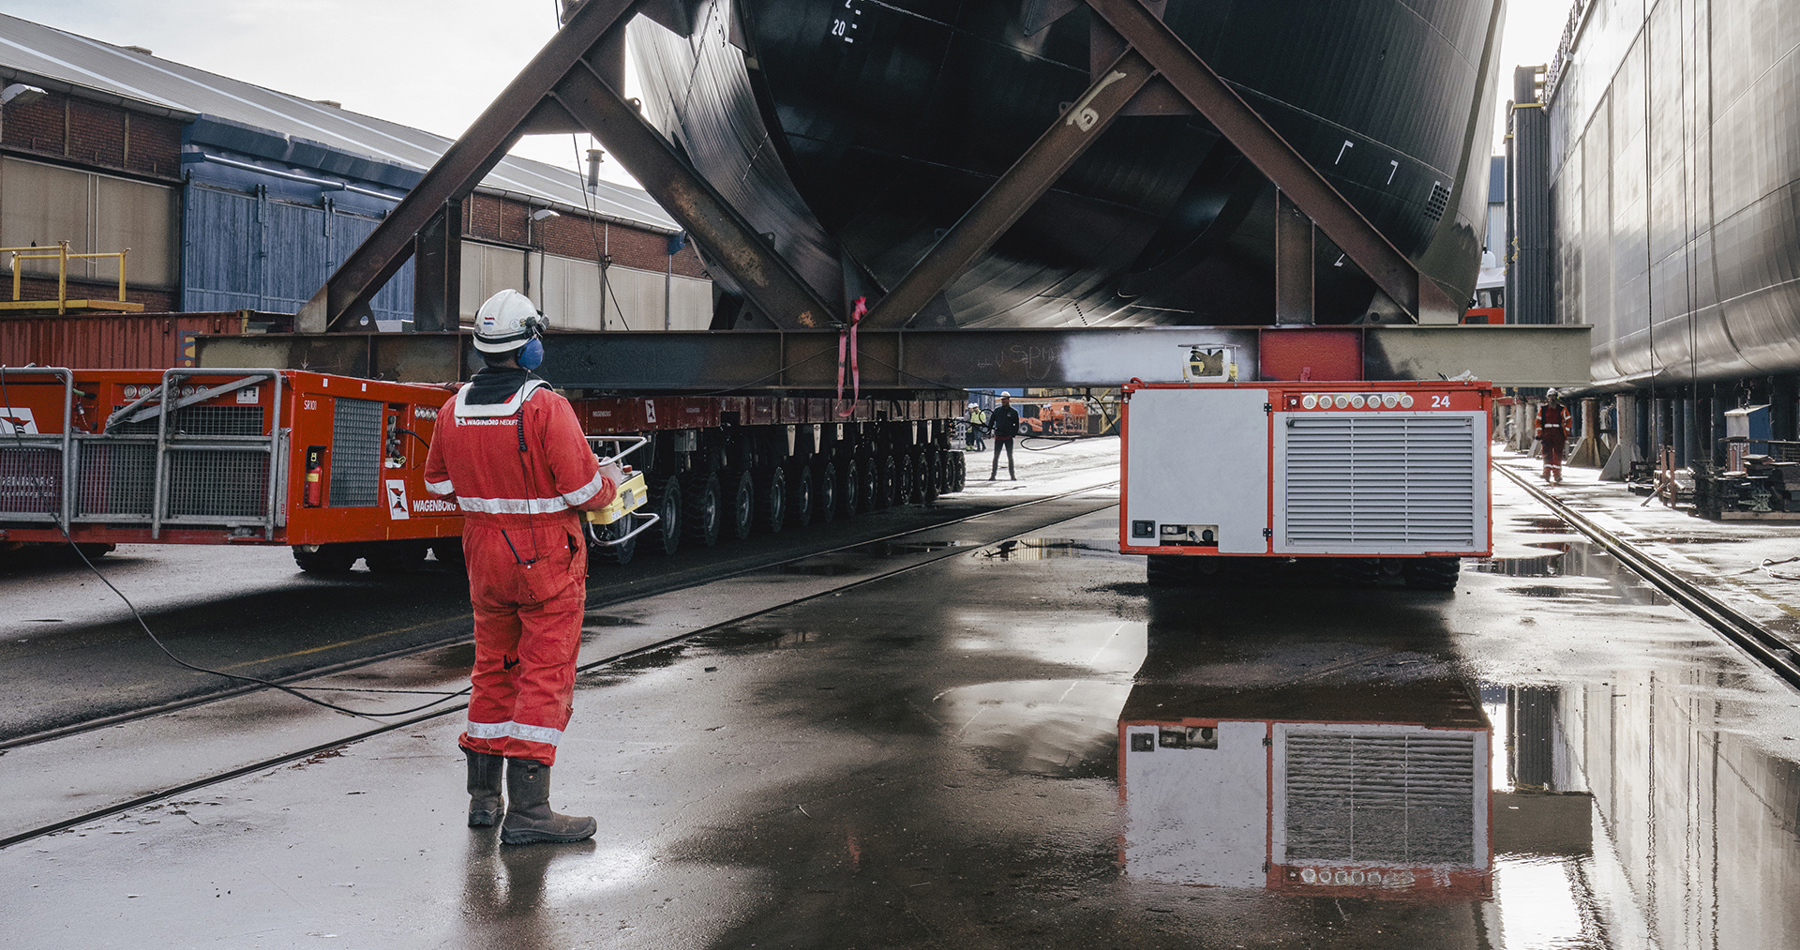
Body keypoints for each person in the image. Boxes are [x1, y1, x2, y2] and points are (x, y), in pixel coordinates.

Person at [423, 290, 622, 846]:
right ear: (530, 344)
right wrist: (609, 478)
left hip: (484, 556)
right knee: (543, 674)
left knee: (493, 669)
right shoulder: (544, 406)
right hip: (545, 562)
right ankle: (531, 811)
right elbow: (583, 489)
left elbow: (437, 483)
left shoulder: (452, 408)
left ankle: (485, 801)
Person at [1536, 389, 1573, 484]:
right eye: (1550, 396)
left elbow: (1568, 420)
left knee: (1557, 454)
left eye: (1554, 396)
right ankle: (1546, 474)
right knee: (1547, 454)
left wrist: (1566, 432)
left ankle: (1557, 475)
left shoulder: (1562, 409)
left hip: (1558, 434)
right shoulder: (1543, 409)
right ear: (1547, 398)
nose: (1552, 398)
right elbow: (1538, 422)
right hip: (1547, 434)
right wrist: (1540, 433)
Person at [989, 394, 1021, 480]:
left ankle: (1012, 475)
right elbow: (991, 422)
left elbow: (1017, 425)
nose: (1003, 401)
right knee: (996, 457)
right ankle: (993, 475)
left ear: (1009, 400)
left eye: (1005, 400)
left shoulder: (1013, 412)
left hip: (1008, 438)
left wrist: (1013, 433)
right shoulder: (997, 411)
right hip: (998, 437)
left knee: (1010, 457)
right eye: (1002, 400)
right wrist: (988, 431)